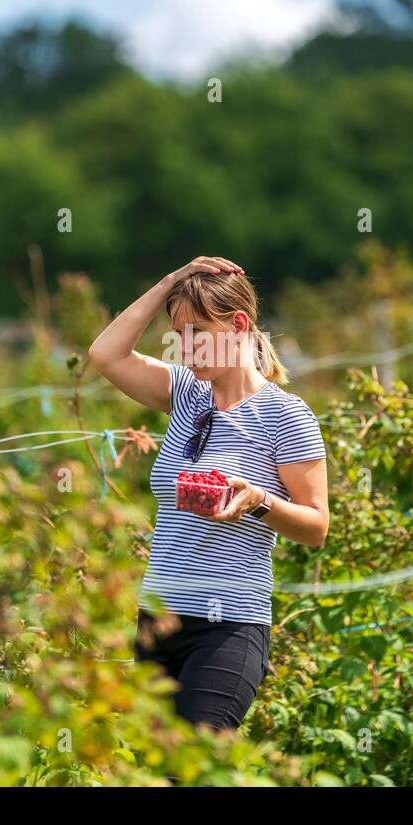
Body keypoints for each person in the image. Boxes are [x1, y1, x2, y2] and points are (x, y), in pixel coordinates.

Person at [87, 255, 329, 735]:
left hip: (230, 626)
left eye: (197, 333)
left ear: (238, 325)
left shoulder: (285, 416)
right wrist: (171, 282)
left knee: (192, 768)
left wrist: (259, 501)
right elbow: (106, 354)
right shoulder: (185, 395)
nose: (185, 348)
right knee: (154, 772)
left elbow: (317, 526)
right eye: (178, 336)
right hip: (158, 619)